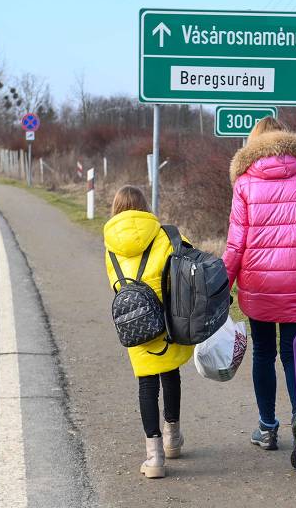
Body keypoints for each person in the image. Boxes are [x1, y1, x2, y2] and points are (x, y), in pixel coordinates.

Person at [222, 117, 296, 469]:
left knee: (262, 355)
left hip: (258, 283)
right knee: (294, 355)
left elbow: (236, 241)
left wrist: (221, 285)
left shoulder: (244, 182)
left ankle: (267, 428)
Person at [103, 186, 193, 479]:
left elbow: (115, 286)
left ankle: (154, 459)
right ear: (144, 206)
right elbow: (187, 264)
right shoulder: (166, 235)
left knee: (146, 386)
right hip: (167, 320)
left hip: (135, 322)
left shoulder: (110, 247)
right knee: (171, 374)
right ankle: (173, 439)